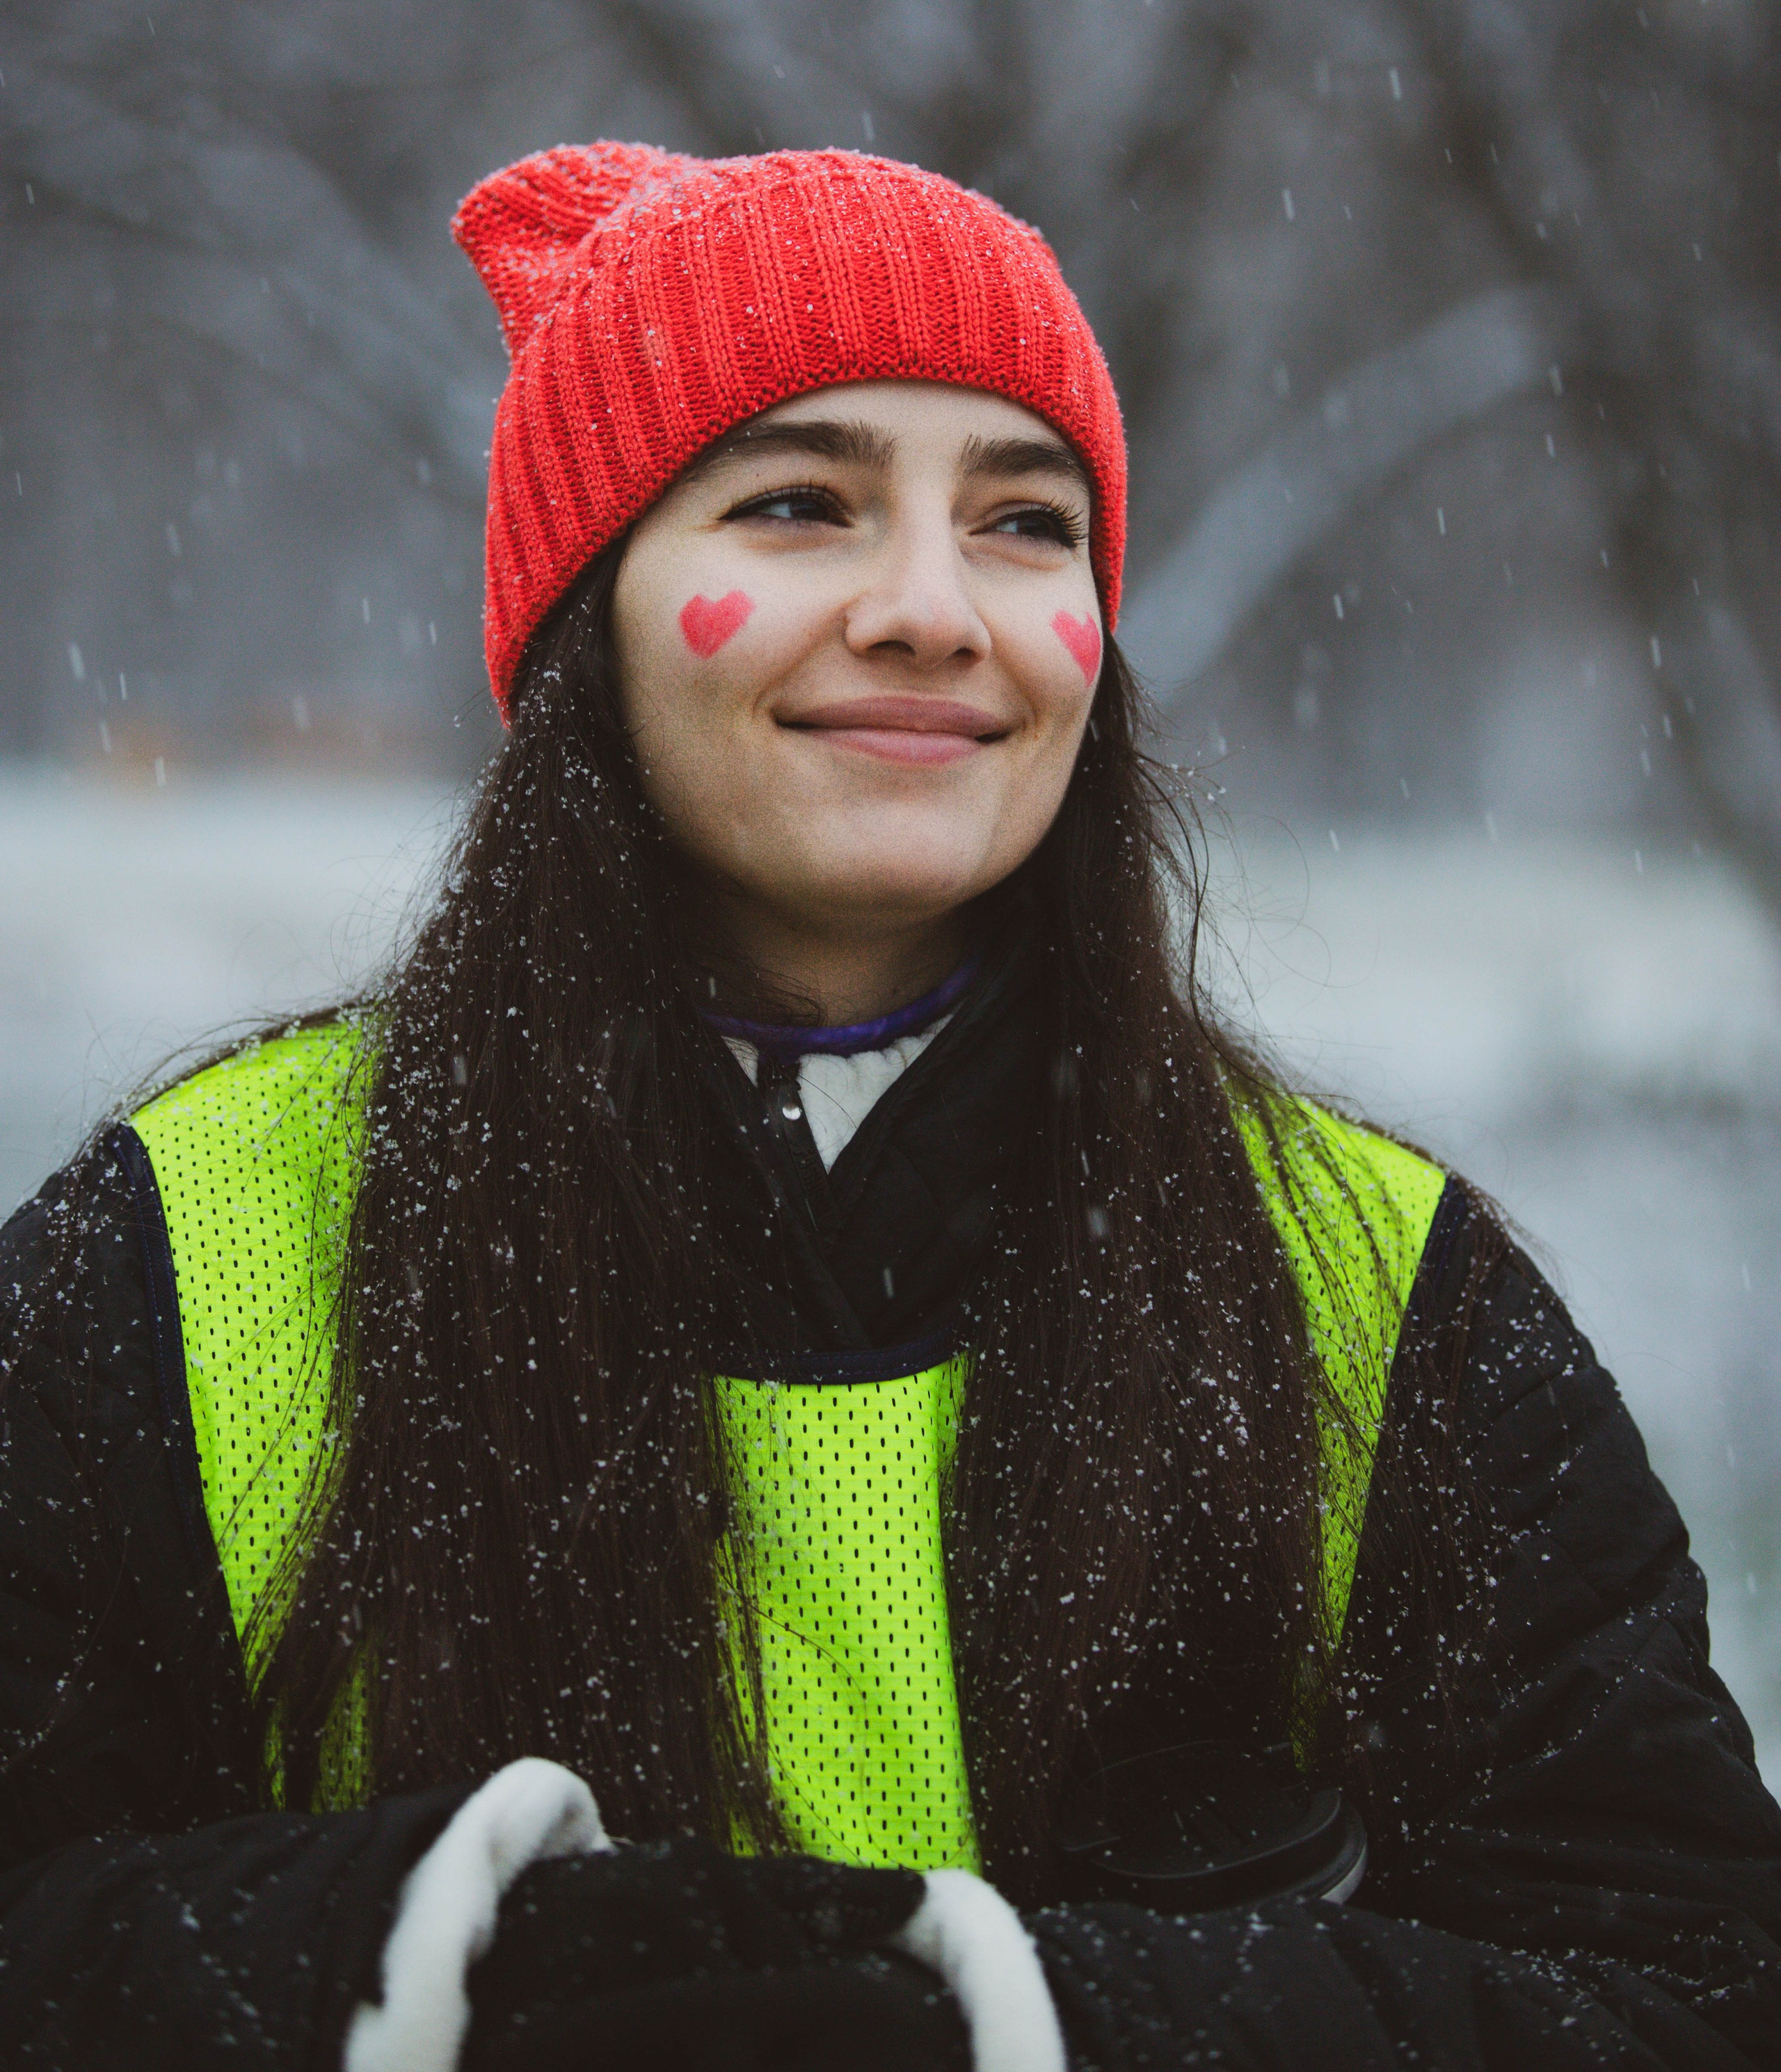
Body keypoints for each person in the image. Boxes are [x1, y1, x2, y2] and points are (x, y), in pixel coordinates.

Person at [1, 143, 1777, 2072]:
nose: (935, 608)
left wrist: (1021, 2016)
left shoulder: (1377, 1283)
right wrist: (453, 1964)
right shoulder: (181, 1249)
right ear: (585, 615)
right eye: (798, 503)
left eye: (1022, 522)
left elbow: (1685, 1993)